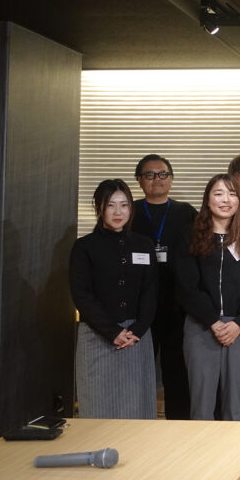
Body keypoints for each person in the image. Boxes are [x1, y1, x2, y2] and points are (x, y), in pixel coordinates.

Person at [175, 174, 240, 424]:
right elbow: (186, 286)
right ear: (208, 200)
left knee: (234, 406)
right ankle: (201, 450)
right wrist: (213, 322)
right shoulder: (189, 237)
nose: (225, 200)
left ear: (239, 201)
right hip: (201, 327)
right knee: (201, 406)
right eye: (218, 194)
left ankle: (233, 451)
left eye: (232, 194)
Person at [70, 179, 158, 419]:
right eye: (111, 205)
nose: (118, 212)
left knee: (138, 406)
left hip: (136, 336)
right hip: (97, 334)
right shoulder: (84, 247)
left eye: (124, 205)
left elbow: (150, 291)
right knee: (97, 404)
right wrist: (112, 331)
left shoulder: (143, 244)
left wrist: (138, 329)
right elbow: (81, 294)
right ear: (99, 207)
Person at [130, 154, 197, 420]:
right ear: (139, 180)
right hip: (138, 306)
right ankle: (138, 423)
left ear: (171, 179)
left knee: (177, 370)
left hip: (177, 304)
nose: (156, 179)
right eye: (149, 174)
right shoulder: (129, 210)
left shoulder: (186, 212)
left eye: (162, 174)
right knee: (139, 370)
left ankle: (178, 426)